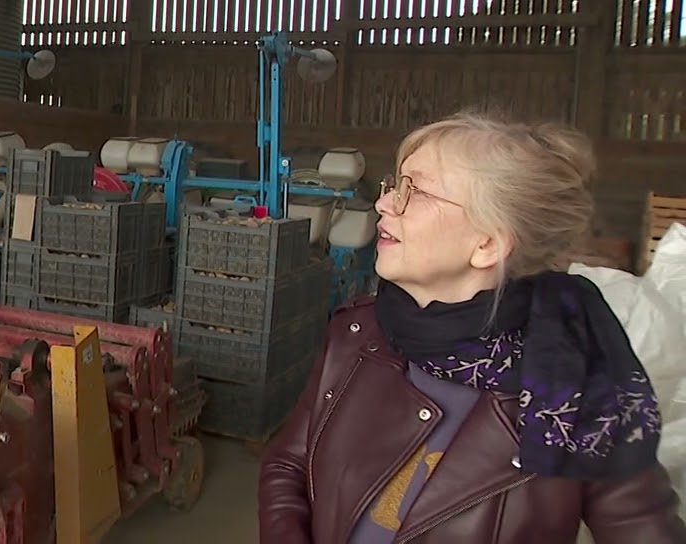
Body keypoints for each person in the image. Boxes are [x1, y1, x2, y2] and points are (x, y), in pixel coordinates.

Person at [258, 110, 686, 543]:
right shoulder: (356, 332)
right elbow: (288, 465)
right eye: (395, 185)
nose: (384, 204)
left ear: (487, 245)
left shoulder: (576, 384)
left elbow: (643, 530)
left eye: (415, 191)